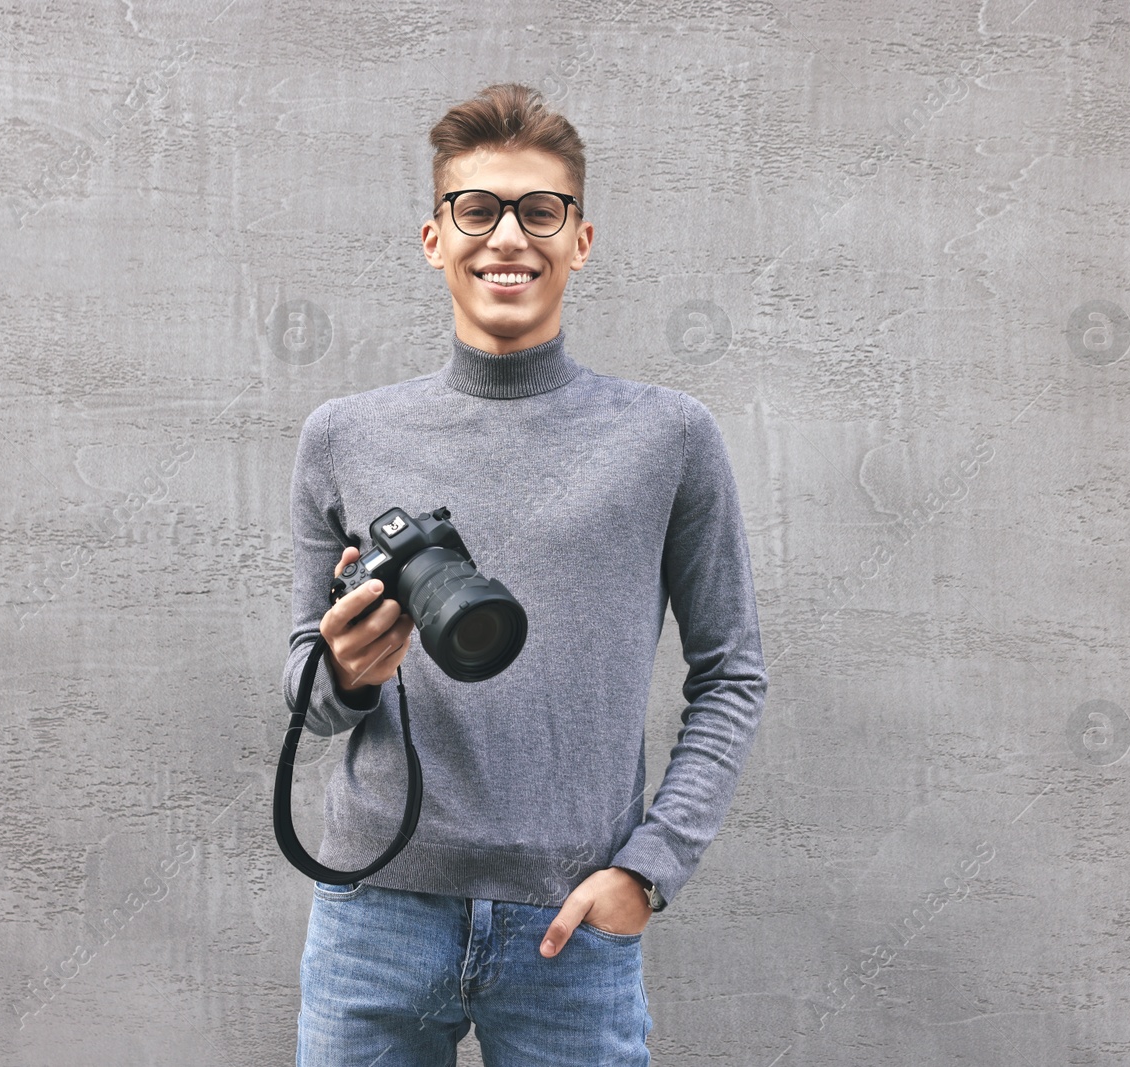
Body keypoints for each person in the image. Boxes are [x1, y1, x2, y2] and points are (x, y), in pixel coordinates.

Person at [282, 82, 768, 1066]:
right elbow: (303, 698)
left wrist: (649, 867)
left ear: (578, 239)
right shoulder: (343, 435)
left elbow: (730, 673)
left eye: (538, 210)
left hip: (571, 923)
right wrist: (344, 670)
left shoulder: (667, 436)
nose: (508, 236)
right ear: (434, 237)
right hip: (374, 908)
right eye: (478, 208)